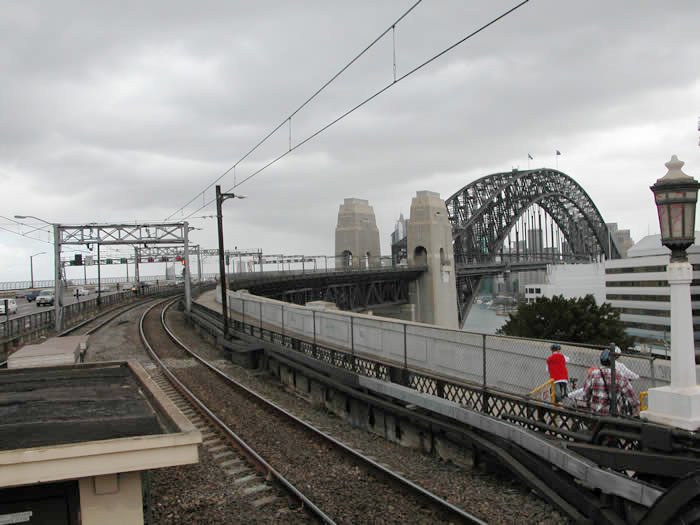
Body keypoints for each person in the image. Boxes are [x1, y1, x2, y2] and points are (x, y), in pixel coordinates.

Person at [581, 349, 639, 416]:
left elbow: (585, 394)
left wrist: (589, 401)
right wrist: (637, 411)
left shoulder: (593, 374)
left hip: (595, 414)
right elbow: (632, 396)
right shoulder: (620, 376)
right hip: (613, 415)